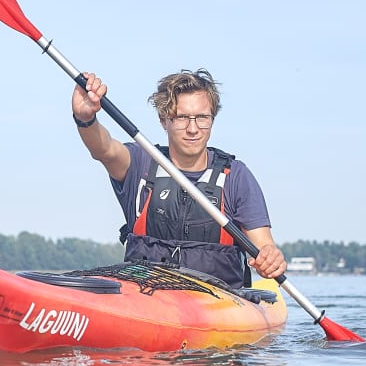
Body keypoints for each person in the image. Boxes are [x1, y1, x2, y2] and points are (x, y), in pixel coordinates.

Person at [70, 68, 287, 289]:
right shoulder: (140, 163)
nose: (193, 129)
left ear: (212, 119)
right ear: (164, 120)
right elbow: (104, 149)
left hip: (219, 300)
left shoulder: (235, 177)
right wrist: (85, 119)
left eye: (202, 118)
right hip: (147, 295)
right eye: (182, 117)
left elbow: (264, 246)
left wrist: (270, 258)